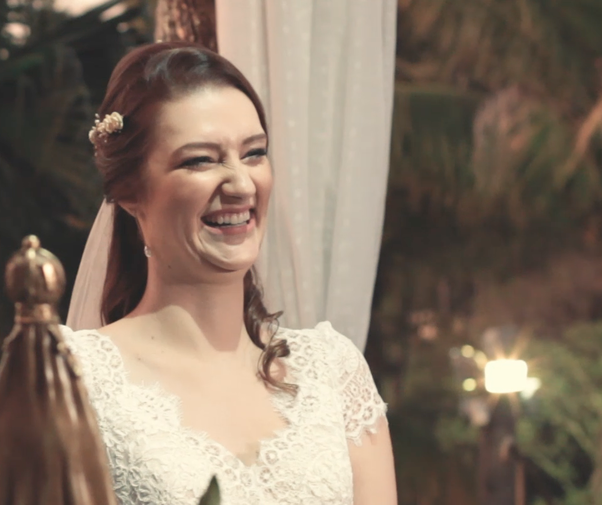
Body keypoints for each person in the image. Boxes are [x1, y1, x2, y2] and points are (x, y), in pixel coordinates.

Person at [62, 42, 397, 504]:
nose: (241, 184)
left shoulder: (332, 370)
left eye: (255, 153)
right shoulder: (74, 374)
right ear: (129, 191)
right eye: (200, 160)